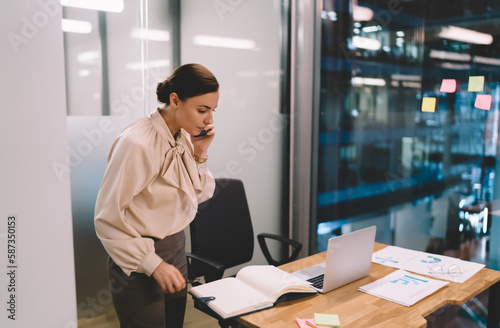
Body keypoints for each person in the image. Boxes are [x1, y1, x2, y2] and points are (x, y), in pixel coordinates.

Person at [94, 63, 218, 327]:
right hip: (138, 255)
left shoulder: (182, 137)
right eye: (202, 110)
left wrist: (200, 152)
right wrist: (153, 263)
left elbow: (201, 193)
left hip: (175, 246)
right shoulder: (136, 143)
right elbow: (107, 218)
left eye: (212, 111)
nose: (209, 120)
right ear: (175, 100)